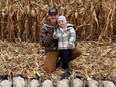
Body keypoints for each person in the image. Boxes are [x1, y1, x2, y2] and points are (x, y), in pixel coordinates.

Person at [39, 8, 82, 72]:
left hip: (65, 47)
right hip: (54, 49)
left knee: (77, 51)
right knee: (49, 69)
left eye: (55, 15)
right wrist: (51, 38)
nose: (53, 17)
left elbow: (73, 35)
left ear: (58, 15)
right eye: (51, 15)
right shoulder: (45, 27)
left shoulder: (62, 22)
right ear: (48, 16)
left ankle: (62, 61)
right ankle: (57, 60)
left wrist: (72, 43)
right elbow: (42, 43)